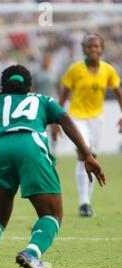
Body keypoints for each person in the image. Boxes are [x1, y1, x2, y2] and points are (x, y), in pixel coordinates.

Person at [0, 65, 105, 268]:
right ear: (30, 86)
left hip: (0, 150)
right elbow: (64, 119)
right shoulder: (42, 100)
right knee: (52, 215)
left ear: (2, 87)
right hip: (31, 147)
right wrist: (87, 155)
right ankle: (31, 253)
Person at [53, 34, 121, 217]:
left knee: (92, 156)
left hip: (96, 119)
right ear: (83, 49)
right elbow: (63, 94)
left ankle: (87, 202)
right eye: (89, 46)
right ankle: (84, 203)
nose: (93, 49)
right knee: (85, 153)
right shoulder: (75, 69)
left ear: (102, 49)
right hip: (76, 117)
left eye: (96, 46)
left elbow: (117, 92)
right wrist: (55, 121)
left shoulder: (108, 70)